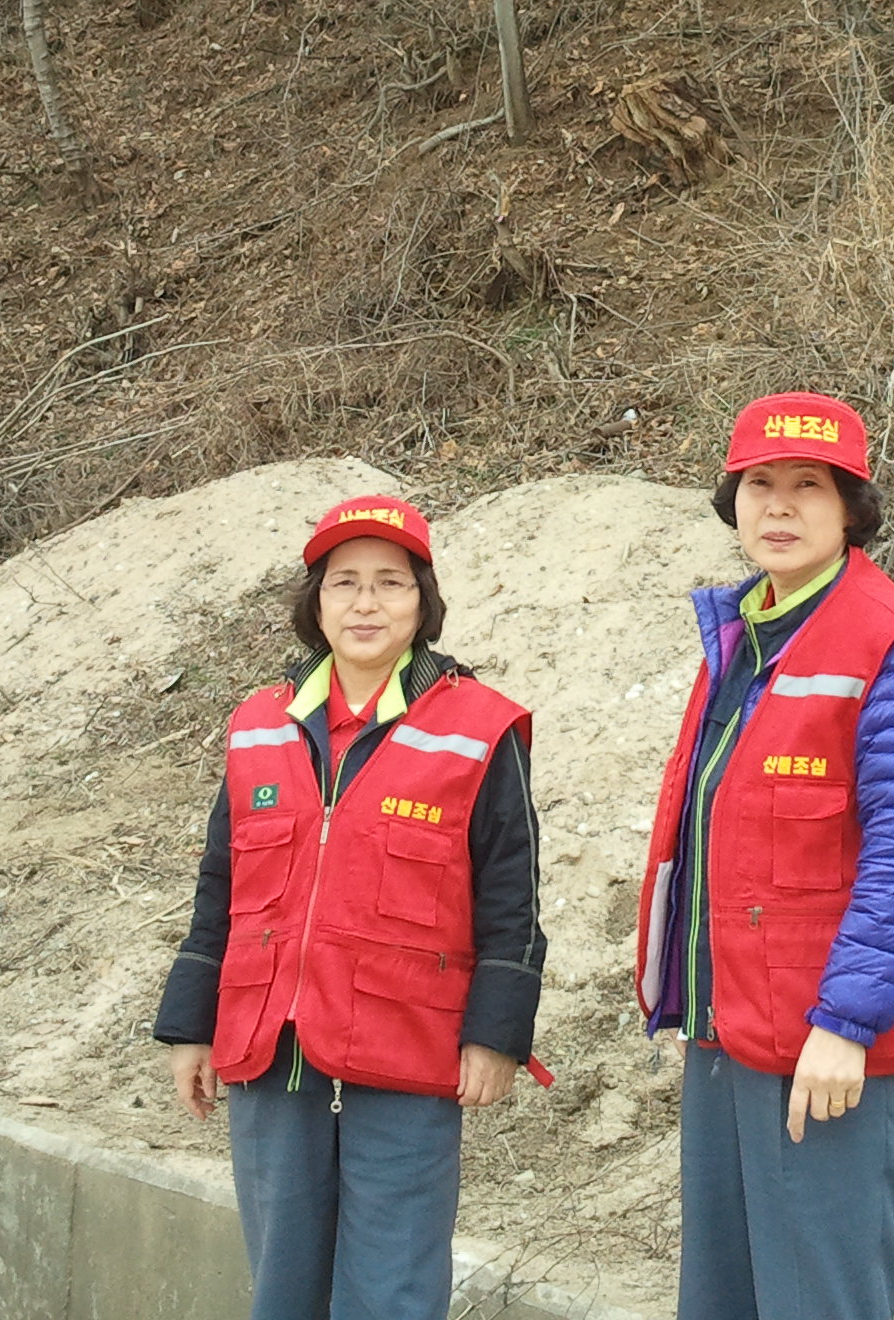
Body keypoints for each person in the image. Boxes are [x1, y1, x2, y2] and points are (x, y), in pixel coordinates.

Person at [635, 392, 894, 1320]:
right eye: (759, 483)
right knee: (722, 1300)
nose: (778, 505)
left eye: (808, 485)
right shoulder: (744, 634)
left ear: (852, 508)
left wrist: (845, 1025)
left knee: (819, 1301)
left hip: (826, 1046)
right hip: (730, 1032)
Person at [154, 494, 547, 1320]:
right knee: (283, 1285)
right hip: (272, 1052)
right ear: (317, 602)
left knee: (393, 1287)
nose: (366, 604)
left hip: (406, 1054)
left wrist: (496, 1035)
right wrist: (192, 1025)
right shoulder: (258, 725)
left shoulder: (481, 728)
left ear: (423, 602)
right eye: (345, 583)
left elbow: (511, 895)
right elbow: (221, 887)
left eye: (390, 583)